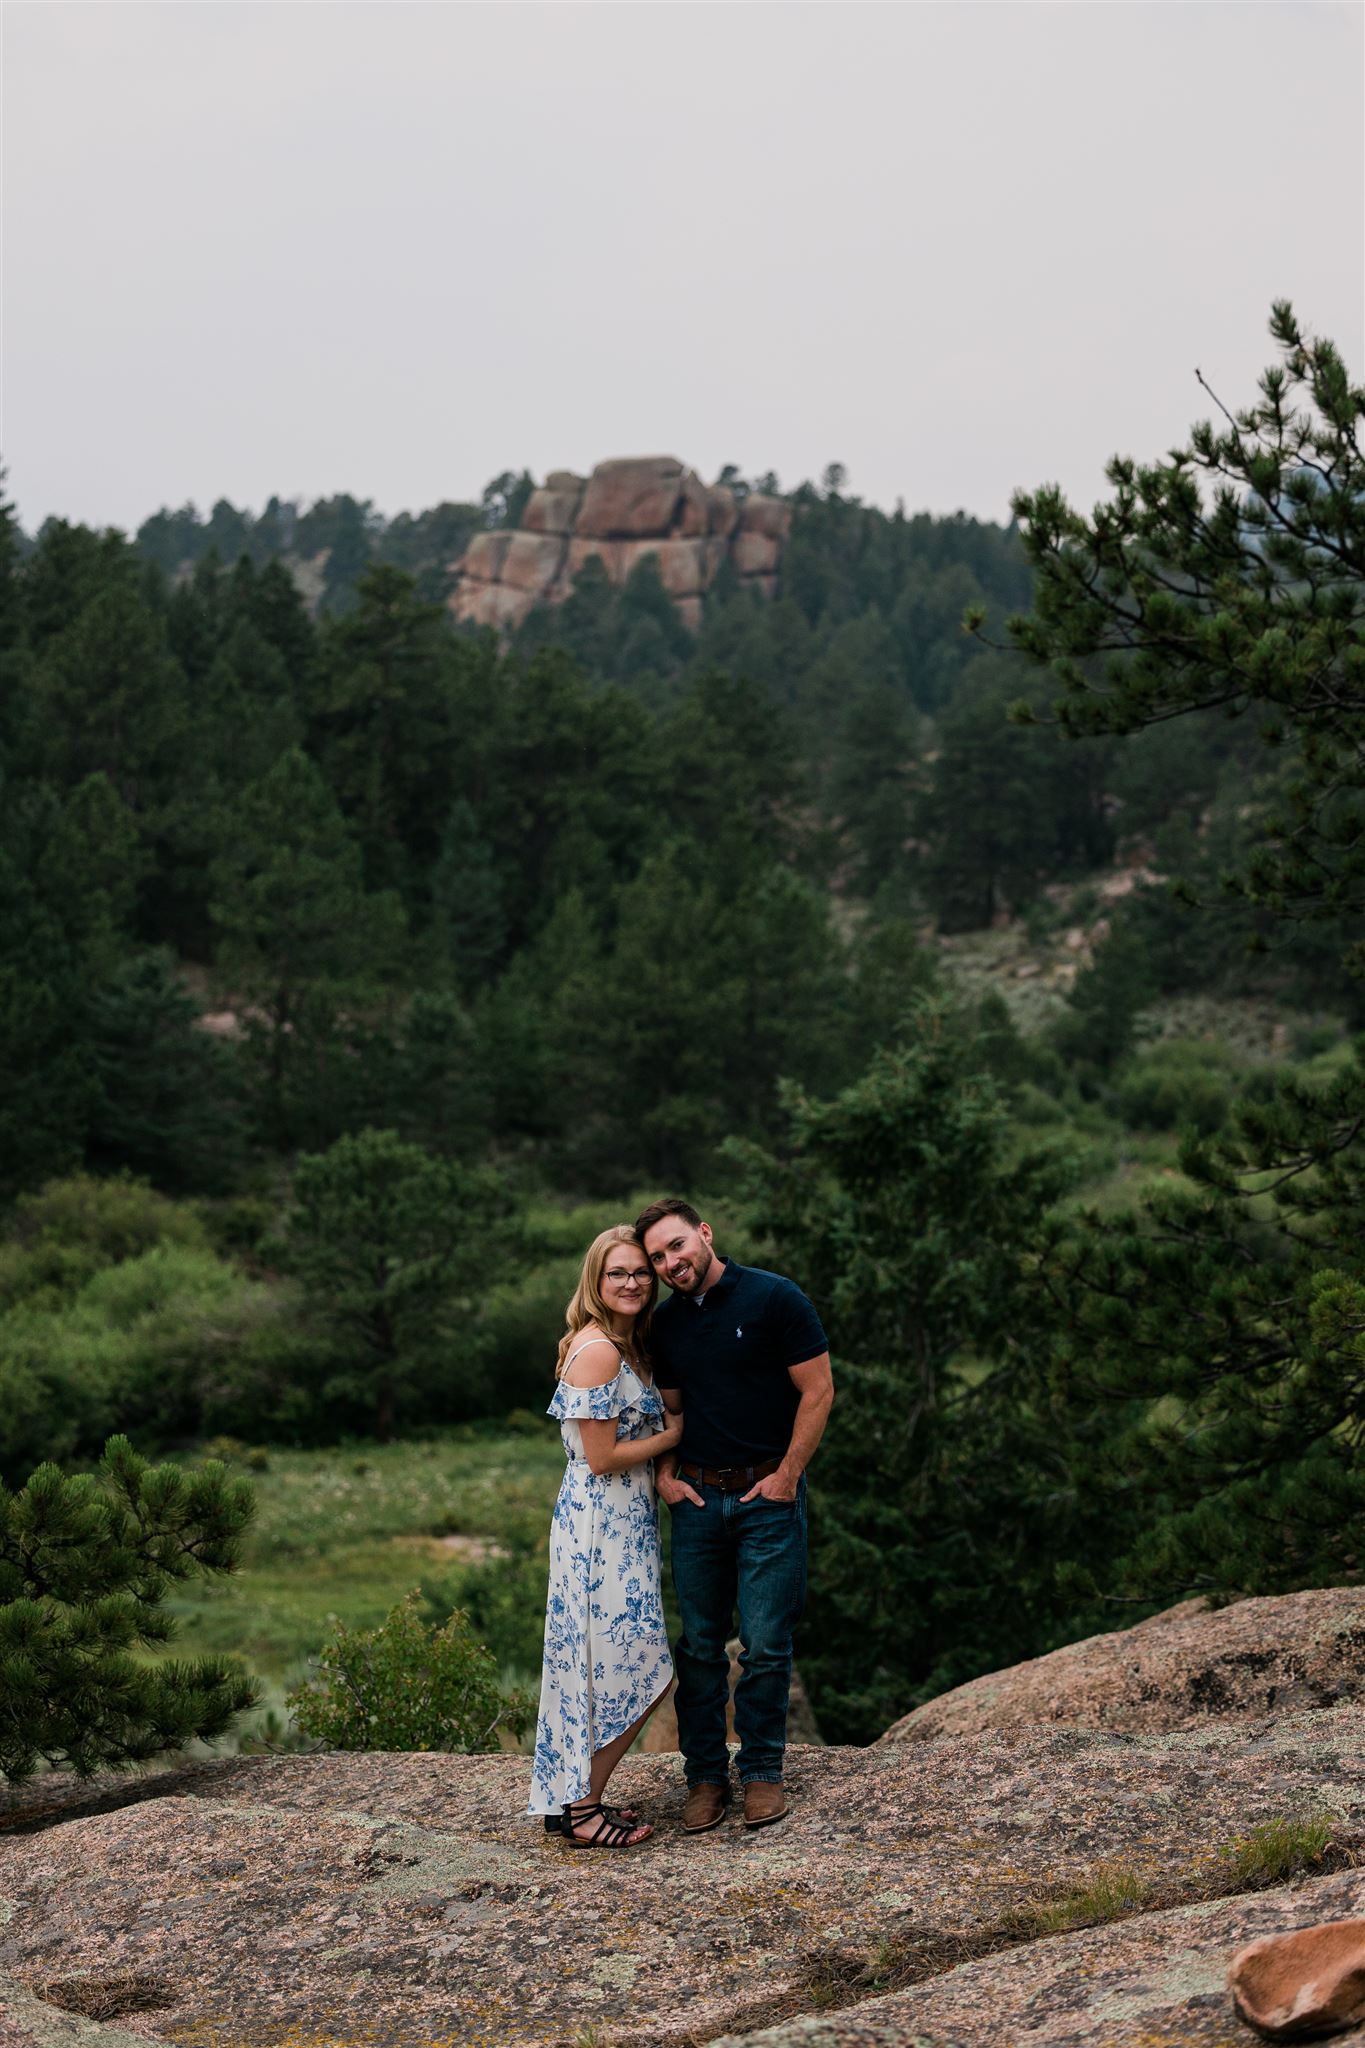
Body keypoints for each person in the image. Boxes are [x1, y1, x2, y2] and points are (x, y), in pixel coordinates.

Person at [635, 1198, 833, 1833]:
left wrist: (787, 1477)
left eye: (676, 1247)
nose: (670, 1263)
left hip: (766, 1500)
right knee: (698, 1646)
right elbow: (672, 1414)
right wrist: (665, 1477)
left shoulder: (775, 1298)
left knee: (767, 1644)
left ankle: (765, 1774)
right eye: (658, 1257)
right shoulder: (664, 1326)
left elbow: (818, 1390)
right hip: (696, 1503)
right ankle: (704, 1780)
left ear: (705, 1235)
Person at [526, 1224, 682, 1847]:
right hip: (601, 1529)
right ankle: (584, 1806)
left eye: (642, 1272)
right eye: (618, 1272)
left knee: (590, 1665)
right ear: (596, 1279)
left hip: (616, 1520)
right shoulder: (600, 1351)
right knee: (644, 1667)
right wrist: (675, 1435)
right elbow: (601, 1457)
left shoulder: (618, 1343)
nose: (634, 1282)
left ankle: (568, 1799)